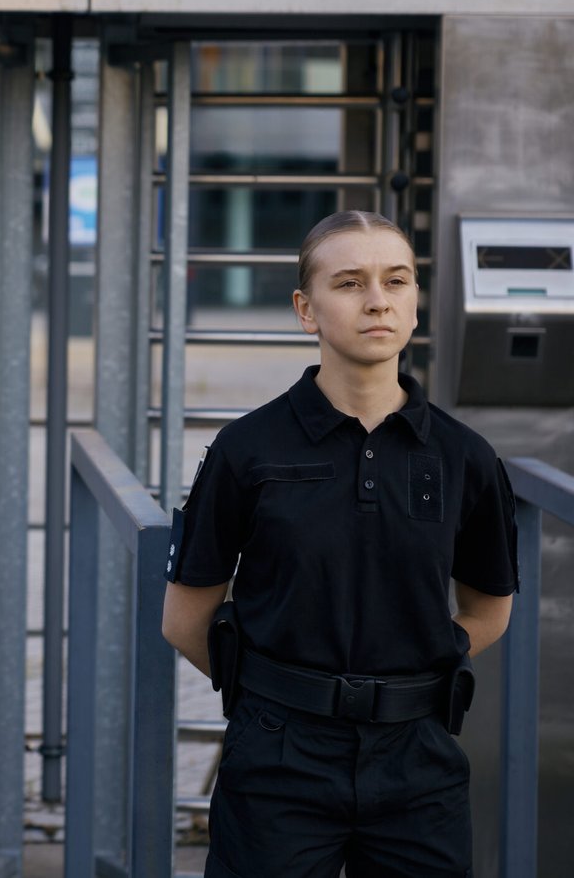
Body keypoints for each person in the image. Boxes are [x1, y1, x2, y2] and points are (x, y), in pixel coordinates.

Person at [161, 210, 518, 878]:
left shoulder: (466, 457)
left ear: (415, 304)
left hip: (420, 760)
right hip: (277, 762)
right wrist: (281, 697)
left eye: (397, 280)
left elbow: (489, 609)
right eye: (350, 282)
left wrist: (411, 663)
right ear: (306, 309)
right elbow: (184, 620)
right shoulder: (246, 451)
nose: (377, 300)